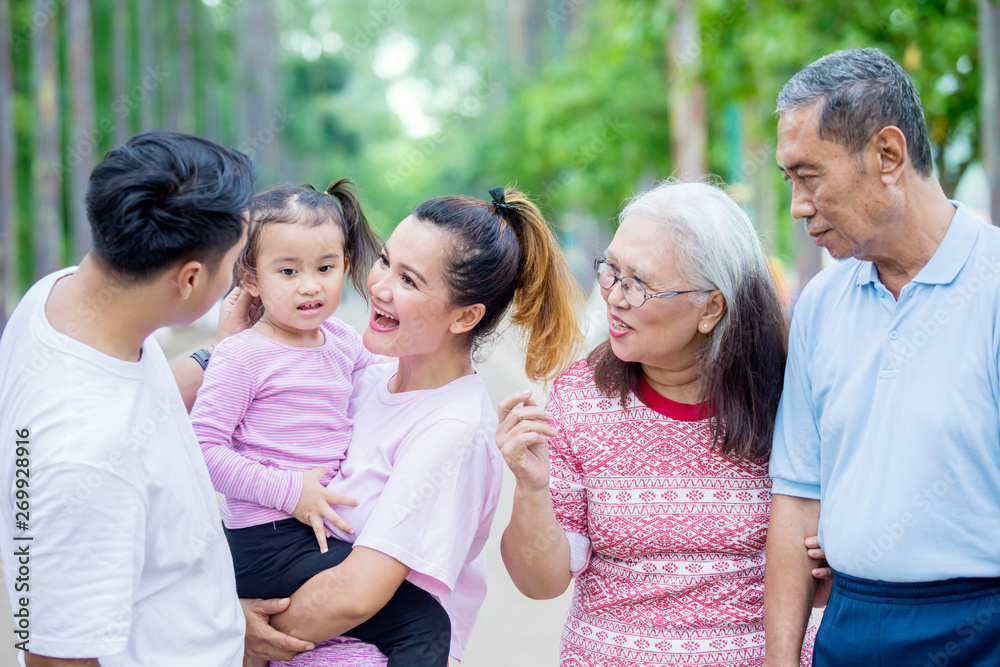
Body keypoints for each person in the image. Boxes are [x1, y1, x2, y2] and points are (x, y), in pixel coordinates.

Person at [182, 187, 582, 665]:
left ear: (467, 316)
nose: (380, 286)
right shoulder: (363, 378)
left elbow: (354, 595)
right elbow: (198, 430)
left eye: (409, 281)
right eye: (386, 261)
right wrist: (232, 350)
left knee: (426, 626)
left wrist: (243, 634)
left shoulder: (451, 430)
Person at [498, 180, 818, 666]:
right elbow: (540, 582)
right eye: (612, 271)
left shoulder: (789, 399)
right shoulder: (580, 398)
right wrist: (530, 489)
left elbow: (820, 585)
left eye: (640, 283)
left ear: (711, 307)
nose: (615, 297)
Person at [764, 47, 1000, 667]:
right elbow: (796, 494)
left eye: (808, 175)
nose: (798, 205)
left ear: (888, 156)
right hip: (852, 628)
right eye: (789, 180)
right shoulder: (819, 304)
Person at [0, 132, 255, 666]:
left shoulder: (62, 298)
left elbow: (141, 408)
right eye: (234, 262)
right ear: (188, 279)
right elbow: (56, 657)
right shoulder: (83, 458)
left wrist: (219, 357)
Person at [191, 179, 454, 665]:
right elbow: (201, 451)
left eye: (325, 268)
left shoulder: (339, 340)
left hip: (317, 535)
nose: (310, 285)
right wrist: (290, 491)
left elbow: (389, 380)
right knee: (426, 623)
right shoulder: (242, 356)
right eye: (287, 270)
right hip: (267, 542)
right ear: (250, 278)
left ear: (345, 268)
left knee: (400, 613)